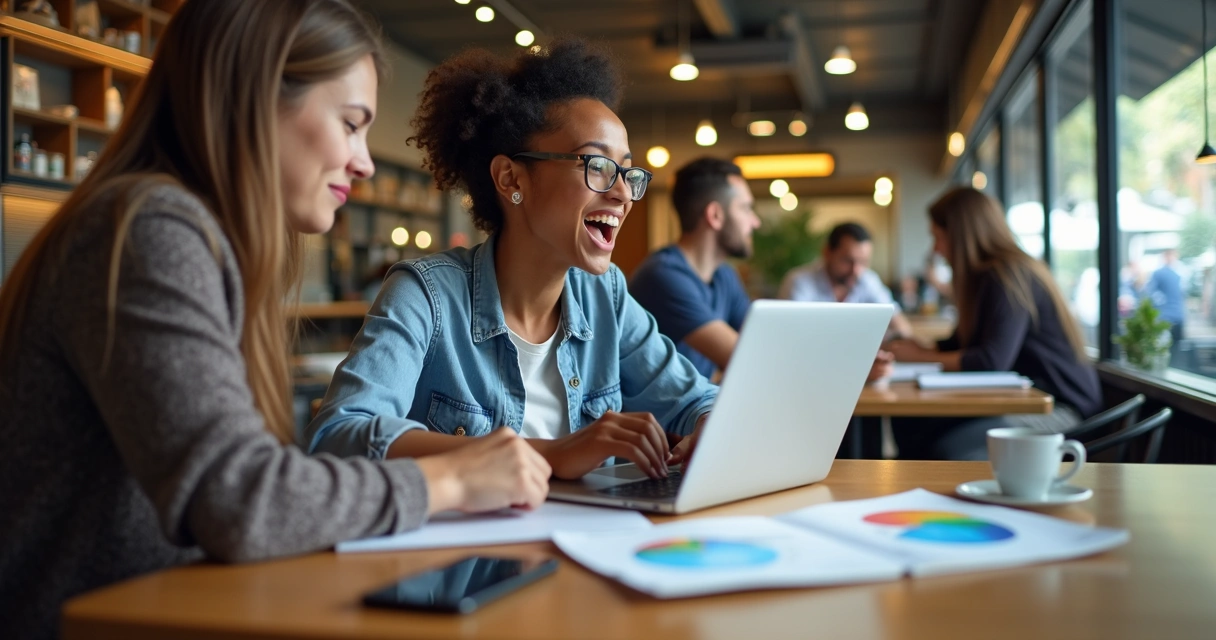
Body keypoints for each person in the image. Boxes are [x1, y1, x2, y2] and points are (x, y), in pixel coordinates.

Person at [0, 3, 550, 638]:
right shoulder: (149, 228)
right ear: (255, 99)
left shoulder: (183, 233)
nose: (364, 162)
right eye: (350, 124)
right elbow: (239, 500)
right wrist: (453, 476)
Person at [305, 39, 717, 481]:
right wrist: (550, 454)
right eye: (597, 165)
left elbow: (697, 399)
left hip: (583, 547)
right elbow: (340, 436)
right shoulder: (427, 296)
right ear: (511, 178)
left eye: (627, 172)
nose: (621, 193)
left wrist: (712, 427)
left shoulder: (605, 294)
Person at [885, 187, 1102, 460]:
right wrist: (919, 347)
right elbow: (965, 345)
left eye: (938, 238)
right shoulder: (989, 276)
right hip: (1028, 399)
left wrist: (921, 355)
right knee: (913, 422)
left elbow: (990, 360)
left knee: (941, 440)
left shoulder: (1008, 275)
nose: (936, 249)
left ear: (963, 236)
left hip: (1061, 411)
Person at [628, 157, 759, 378]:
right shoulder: (662, 276)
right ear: (715, 215)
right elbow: (745, 357)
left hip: (694, 409)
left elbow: (757, 340)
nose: (755, 222)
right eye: (746, 208)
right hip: (656, 413)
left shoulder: (724, 275)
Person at [779, 220, 913, 340]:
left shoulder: (867, 280)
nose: (856, 270)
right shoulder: (799, 282)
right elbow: (793, 336)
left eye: (863, 262)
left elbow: (900, 325)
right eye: (847, 261)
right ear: (827, 253)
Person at [1142, 248, 1186, 366]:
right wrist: (1160, 303)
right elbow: (1151, 292)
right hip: (1166, 316)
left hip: (1176, 315)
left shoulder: (1178, 273)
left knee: (1176, 347)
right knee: (1166, 348)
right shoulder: (1161, 273)